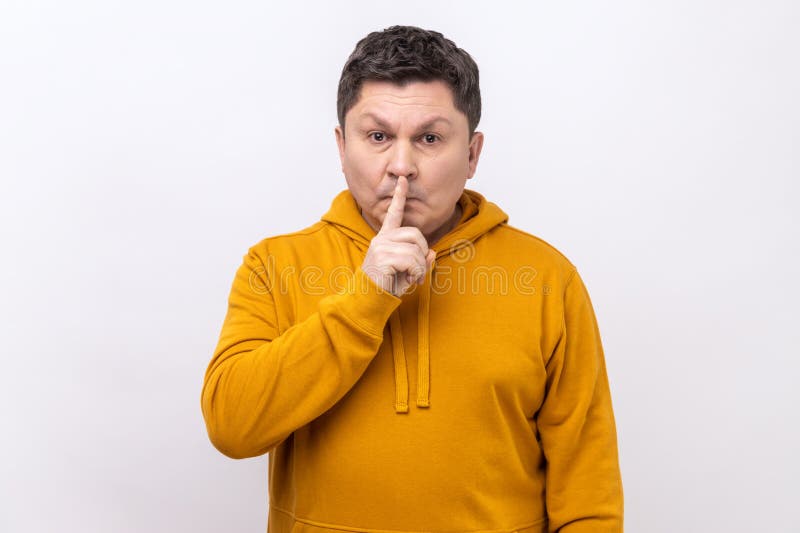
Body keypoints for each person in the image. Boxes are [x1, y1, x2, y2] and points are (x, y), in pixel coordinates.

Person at [201, 25, 624, 533]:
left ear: (471, 154)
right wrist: (367, 298)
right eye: (377, 136)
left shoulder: (548, 279)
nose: (401, 167)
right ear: (341, 147)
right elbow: (232, 427)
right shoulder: (273, 265)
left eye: (429, 138)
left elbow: (588, 493)